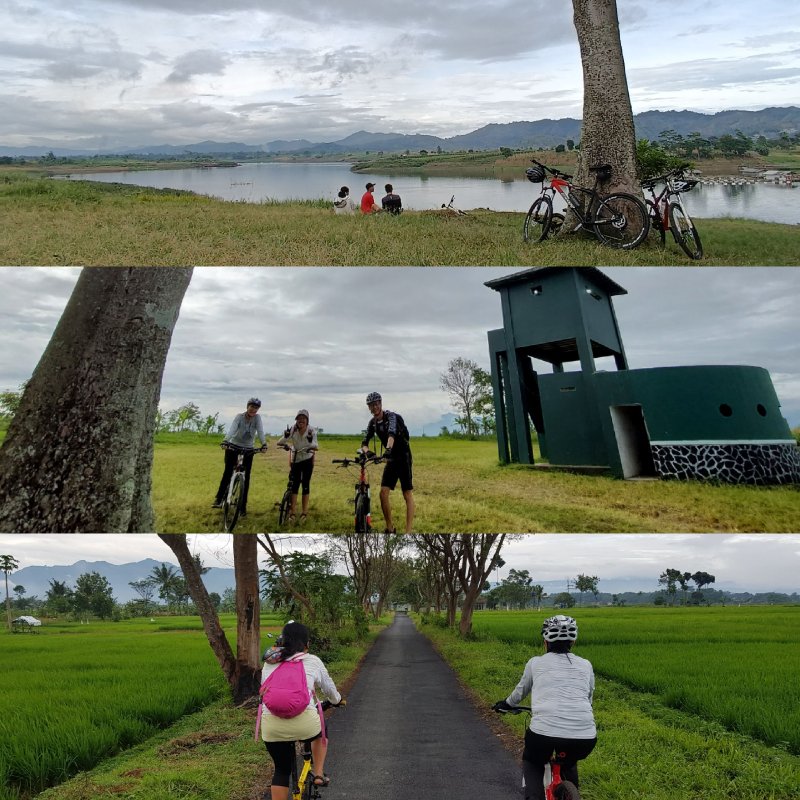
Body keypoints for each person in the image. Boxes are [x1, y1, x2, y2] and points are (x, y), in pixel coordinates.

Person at [493, 615, 596, 800]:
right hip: (586, 737)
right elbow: (589, 699)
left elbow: (520, 692)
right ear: (573, 640)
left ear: (545, 640)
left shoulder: (536, 663)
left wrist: (507, 704)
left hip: (543, 734)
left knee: (532, 761)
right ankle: (571, 792)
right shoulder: (586, 665)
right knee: (569, 762)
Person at [260, 621, 342, 799]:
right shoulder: (313, 661)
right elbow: (330, 690)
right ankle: (319, 773)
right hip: (306, 725)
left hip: (272, 727)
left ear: (282, 640)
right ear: (307, 644)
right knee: (321, 727)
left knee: (281, 770)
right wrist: (337, 700)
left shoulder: (270, 662)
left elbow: (265, 692)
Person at [361, 391, 414, 533]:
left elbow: (391, 434)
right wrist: (368, 452)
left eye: (377, 404)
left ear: (381, 404)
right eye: (372, 405)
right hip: (391, 459)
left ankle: (408, 531)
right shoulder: (372, 423)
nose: (375, 407)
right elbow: (364, 442)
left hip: (403, 456)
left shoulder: (391, 417)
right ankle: (390, 528)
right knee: (383, 493)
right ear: (369, 408)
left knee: (407, 493)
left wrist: (388, 449)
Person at [212, 397, 268, 518]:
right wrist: (225, 441)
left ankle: (242, 507)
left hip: (248, 449)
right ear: (247, 406)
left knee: (246, 478)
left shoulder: (257, 418)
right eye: (252, 407)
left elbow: (260, 431)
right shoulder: (239, 417)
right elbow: (232, 429)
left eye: (256, 408)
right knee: (227, 472)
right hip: (233, 446)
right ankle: (219, 499)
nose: (254, 410)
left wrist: (264, 443)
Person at [276, 409, 319, 524]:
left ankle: (304, 512)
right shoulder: (293, 429)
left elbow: (316, 445)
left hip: (307, 458)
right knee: (294, 485)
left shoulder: (311, 430)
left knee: (305, 485)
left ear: (307, 420)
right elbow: (279, 442)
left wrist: (310, 444)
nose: (301, 421)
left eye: (303, 419)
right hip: (296, 459)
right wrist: (285, 440)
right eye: (299, 419)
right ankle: (292, 513)